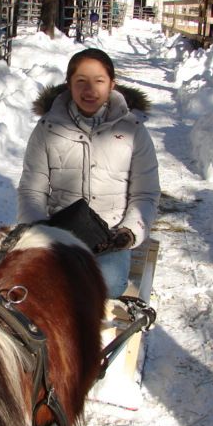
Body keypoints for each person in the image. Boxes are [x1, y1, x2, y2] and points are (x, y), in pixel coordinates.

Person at [17, 48, 160, 298]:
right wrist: (38, 227)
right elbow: (32, 188)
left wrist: (129, 232)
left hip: (111, 235)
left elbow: (145, 193)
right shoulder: (48, 128)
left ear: (112, 85)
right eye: (81, 81)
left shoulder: (133, 131)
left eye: (99, 81)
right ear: (69, 85)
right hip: (59, 230)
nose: (90, 90)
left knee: (107, 283)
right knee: (30, 282)